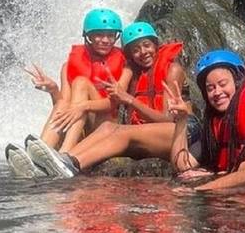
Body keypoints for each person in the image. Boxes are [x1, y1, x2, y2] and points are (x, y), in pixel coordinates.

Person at [21, 23, 196, 177]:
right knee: (107, 127)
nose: (143, 52)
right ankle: (62, 160)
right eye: (135, 49)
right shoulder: (133, 72)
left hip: (182, 131)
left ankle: (73, 164)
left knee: (123, 132)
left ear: (156, 46)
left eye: (147, 45)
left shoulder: (172, 69)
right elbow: (69, 105)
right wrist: (54, 90)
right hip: (150, 134)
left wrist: (129, 100)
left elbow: (167, 118)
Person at [5, 8, 129, 177]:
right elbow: (63, 105)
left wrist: (84, 106)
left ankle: (64, 155)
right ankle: (40, 158)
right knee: (66, 100)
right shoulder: (68, 65)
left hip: (105, 124)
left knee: (80, 83)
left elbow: (114, 103)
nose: (106, 40)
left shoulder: (124, 64)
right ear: (88, 36)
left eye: (110, 35)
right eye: (99, 35)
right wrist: (53, 90)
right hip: (80, 126)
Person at [170, 50, 245, 191]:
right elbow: (181, 166)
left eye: (223, 84)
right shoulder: (214, 123)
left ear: (237, 82)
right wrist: (181, 121)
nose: (217, 92)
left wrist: (210, 179)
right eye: (210, 88)